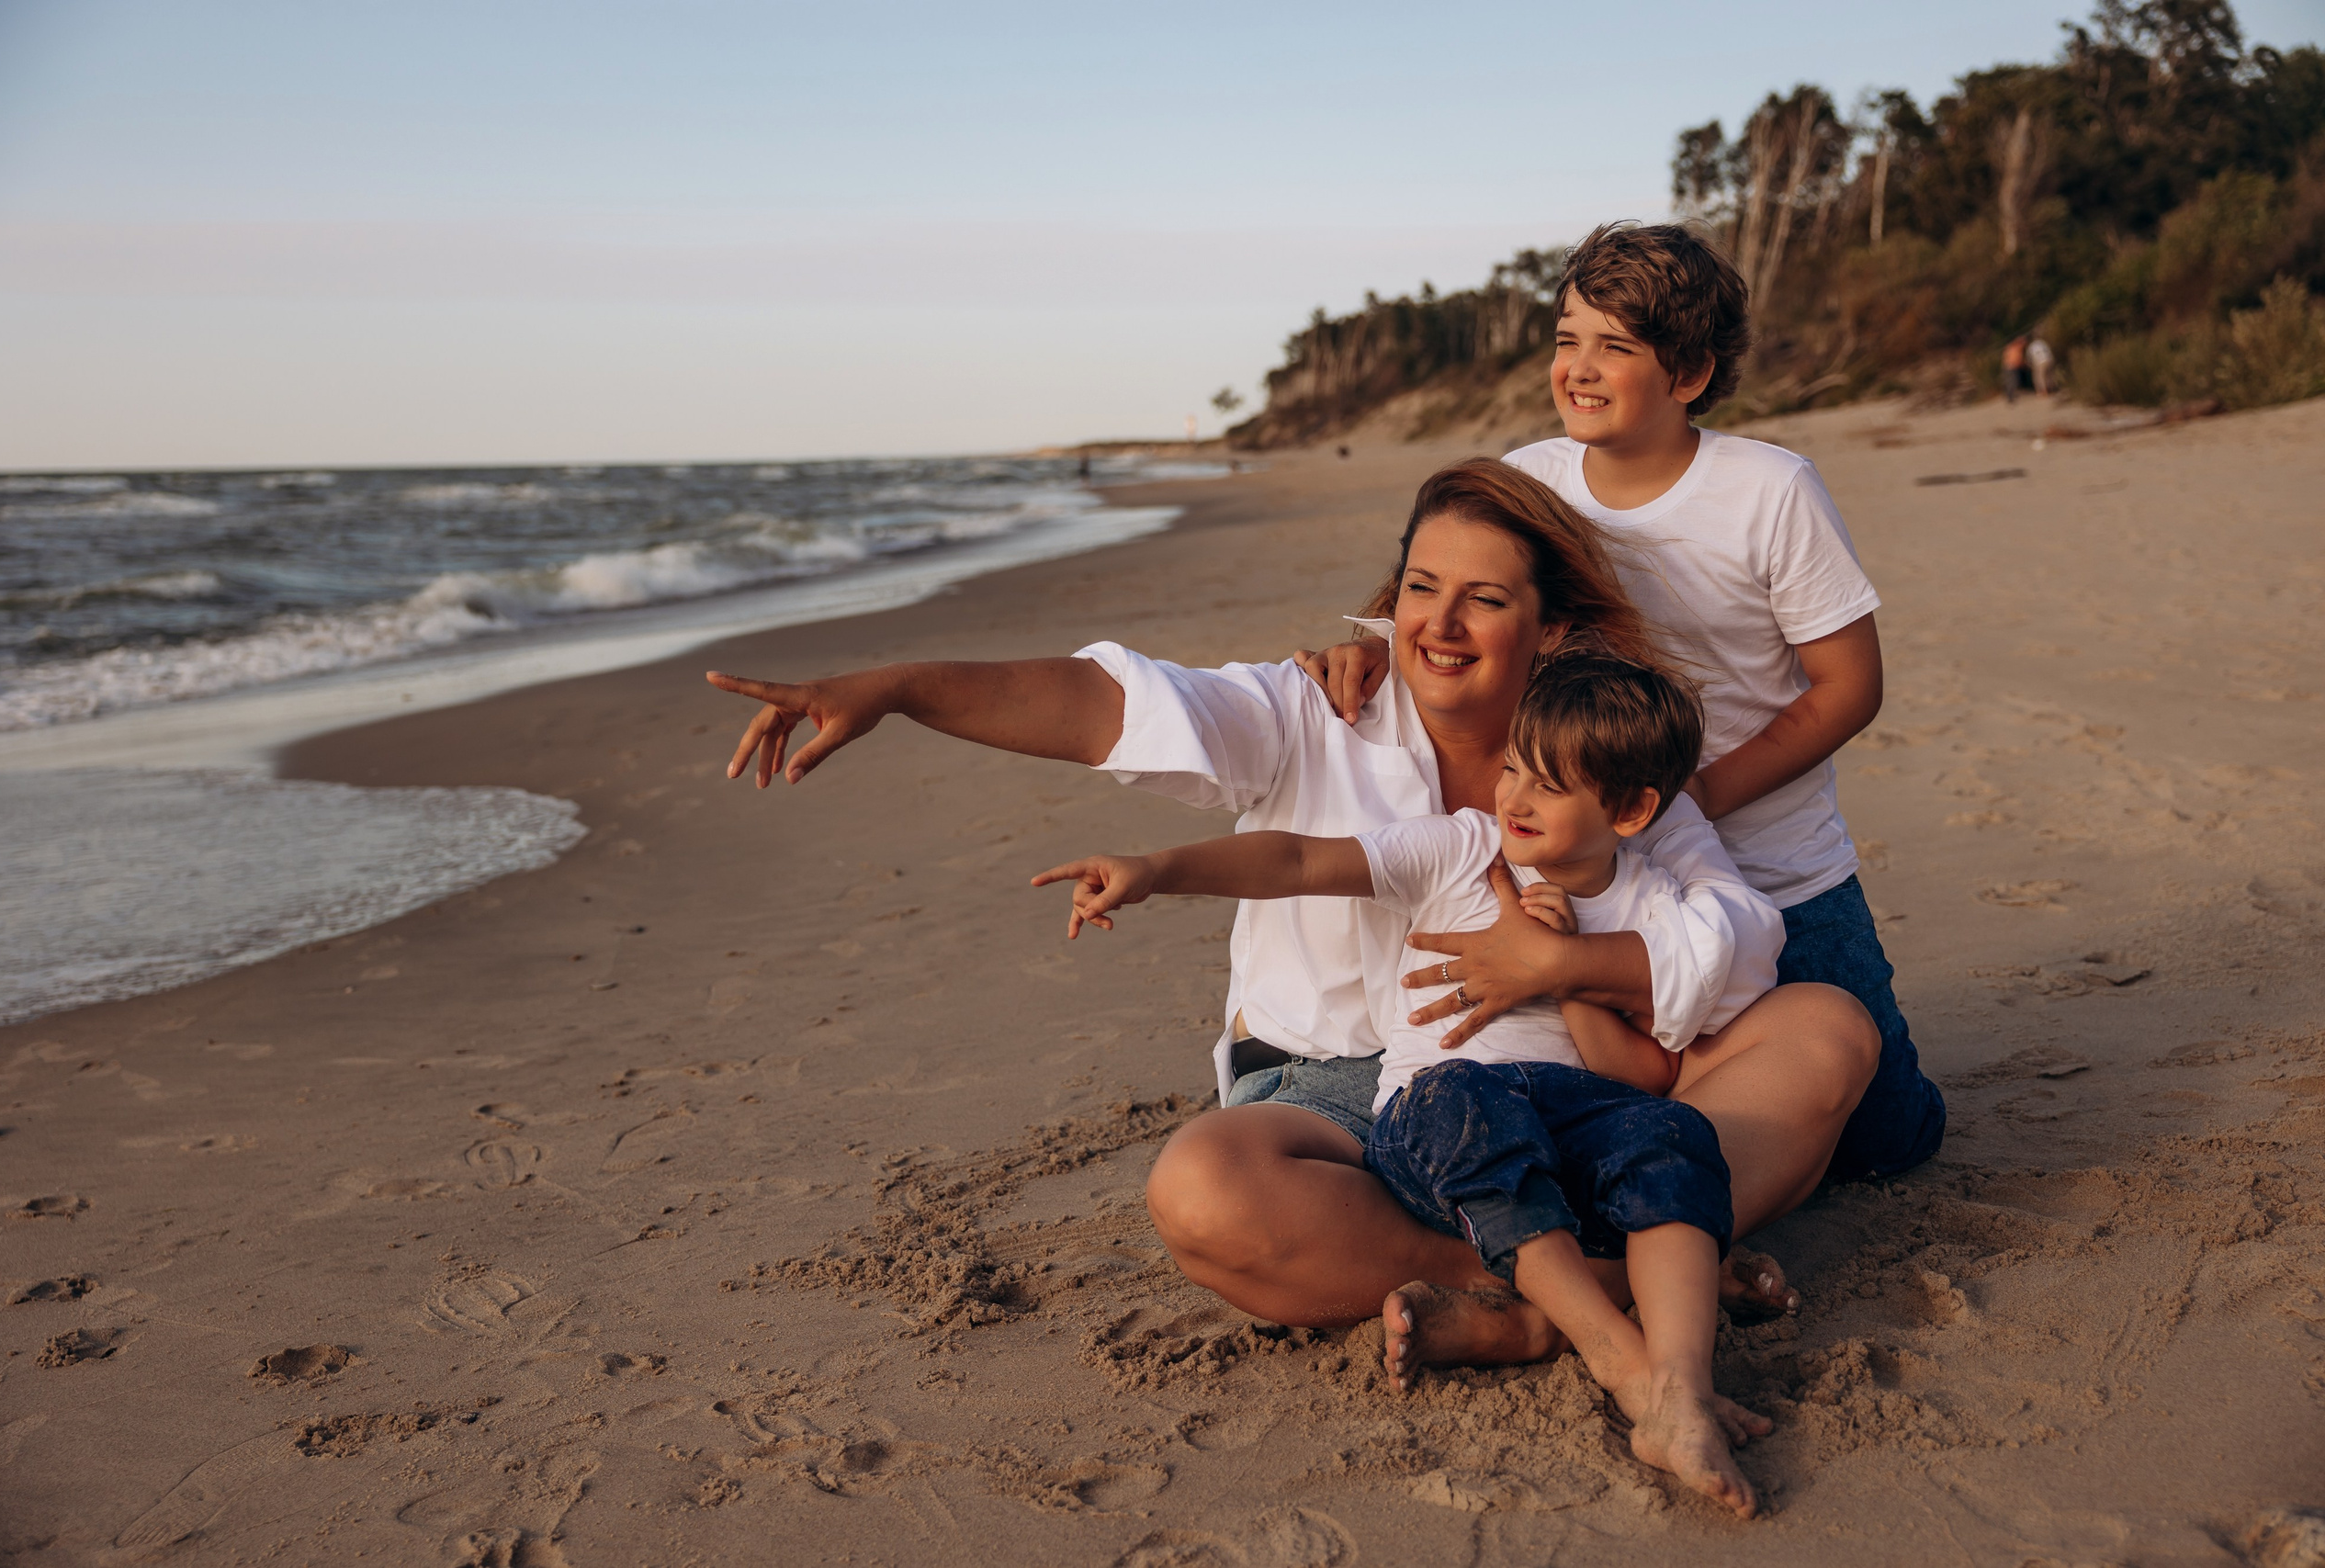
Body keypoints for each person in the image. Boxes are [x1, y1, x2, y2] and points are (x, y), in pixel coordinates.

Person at [705, 455, 1881, 1369]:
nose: (1439, 624)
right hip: (1337, 1100)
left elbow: (1733, 932)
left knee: (1828, 1033)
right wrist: (900, 688)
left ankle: (1535, 1300)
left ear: (1553, 628)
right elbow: (1106, 703)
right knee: (1205, 1188)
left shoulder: (1604, 771)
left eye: (1484, 599)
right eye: (1420, 588)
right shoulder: (1309, 707)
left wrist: (1562, 967)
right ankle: (1609, 1289)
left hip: (1570, 1081)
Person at [1033, 652, 1787, 1515]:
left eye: (1550, 785)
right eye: (1513, 767)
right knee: (1467, 1101)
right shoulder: (1462, 850)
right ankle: (1618, 1355)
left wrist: (1566, 974)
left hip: (1571, 1124)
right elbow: (1296, 863)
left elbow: (1647, 1076)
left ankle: (1682, 1390)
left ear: (1630, 809)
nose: (1514, 797)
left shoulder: (1654, 906)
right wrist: (1158, 870)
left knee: (1673, 1136)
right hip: (1439, 1116)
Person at [1304, 222, 1945, 1194]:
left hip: (1776, 871)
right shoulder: (1534, 479)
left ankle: (1689, 1183)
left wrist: (1685, 801)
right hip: (1600, 874)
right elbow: (1443, 596)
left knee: (1884, 1141)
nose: (1579, 369)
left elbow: (1849, 686)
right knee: (1614, 1086)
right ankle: (1652, 1203)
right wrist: (1366, 642)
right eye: (1566, 338)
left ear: (1687, 373)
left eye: (1616, 347)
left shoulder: (1767, 490)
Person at [2002, 333, 2030, 402]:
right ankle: (2010, 397)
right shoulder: (2015, 348)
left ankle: (2011, 395)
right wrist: (2025, 365)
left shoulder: (2013, 348)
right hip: (2011, 367)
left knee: (2014, 381)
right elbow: (2016, 359)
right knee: (2012, 382)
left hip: (2012, 367)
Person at [2027, 333, 2057, 398]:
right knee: (2049, 375)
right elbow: (2049, 351)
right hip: (2049, 360)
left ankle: (2044, 391)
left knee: (2040, 377)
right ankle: (2051, 389)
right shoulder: (2043, 343)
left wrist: (2031, 365)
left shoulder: (2031, 346)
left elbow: (2030, 357)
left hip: (2040, 361)